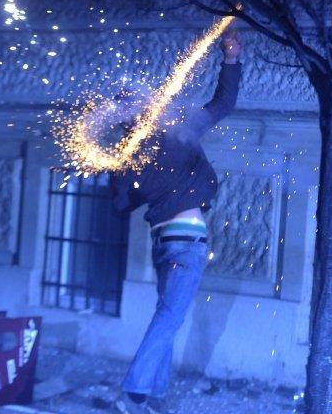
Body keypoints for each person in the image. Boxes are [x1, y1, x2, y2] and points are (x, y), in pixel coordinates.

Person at [112, 31, 243, 414]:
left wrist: (114, 173)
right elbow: (223, 104)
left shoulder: (129, 157)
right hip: (186, 243)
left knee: (166, 316)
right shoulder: (176, 133)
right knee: (170, 317)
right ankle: (136, 392)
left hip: (162, 243)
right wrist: (231, 60)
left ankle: (153, 397)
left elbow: (121, 205)